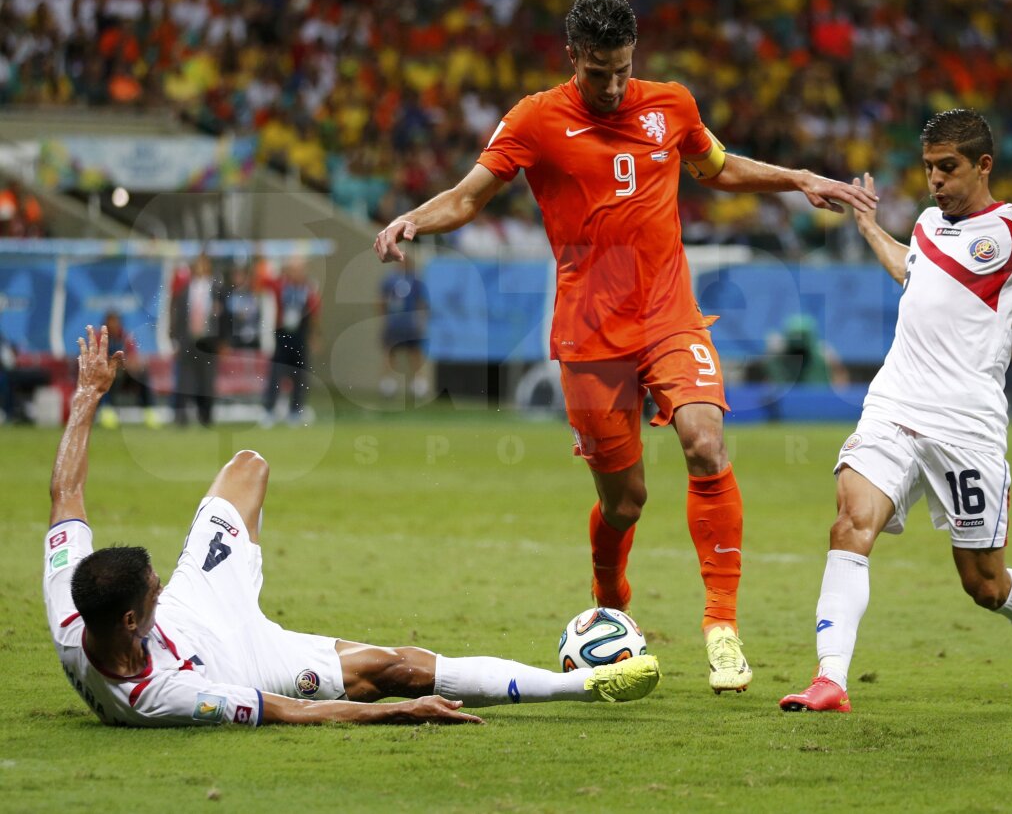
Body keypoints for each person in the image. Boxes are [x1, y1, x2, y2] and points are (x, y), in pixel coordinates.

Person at [374, 0, 877, 693]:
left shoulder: (672, 104)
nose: (612, 86)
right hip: (589, 335)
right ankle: (610, 599)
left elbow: (716, 167)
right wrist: (413, 220)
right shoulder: (536, 118)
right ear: (573, 56)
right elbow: (467, 197)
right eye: (598, 72)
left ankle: (721, 626)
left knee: (705, 441)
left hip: (669, 315)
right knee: (625, 503)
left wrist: (796, 178)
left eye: (622, 70)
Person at [44, 325, 660, 728]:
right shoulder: (161, 698)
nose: (157, 583)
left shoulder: (72, 607)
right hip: (243, 661)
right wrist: (398, 713)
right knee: (393, 670)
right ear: (132, 620)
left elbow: (65, 494)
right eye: (152, 588)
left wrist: (88, 394)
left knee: (247, 467)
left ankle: (233, 573)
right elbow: (288, 713)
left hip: (199, 601)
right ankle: (582, 685)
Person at [779, 109, 1012, 713]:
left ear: (983, 165)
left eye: (947, 167)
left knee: (984, 584)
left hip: (967, 427)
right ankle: (831, 680)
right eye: (928, 167)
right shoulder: (928, 223)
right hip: (894, 405)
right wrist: (868, 224)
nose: (935, 180)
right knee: (850, 523)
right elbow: (913, 272)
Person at [262, 257, 320, 427]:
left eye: (299, 270)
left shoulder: (308, 288)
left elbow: (315, 312)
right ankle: (270, 410)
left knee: (299, 374)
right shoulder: (281, 285)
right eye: (293, 270)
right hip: (282, 335)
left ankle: (296, 410)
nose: (296, 273)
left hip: (299, 335)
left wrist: (314, 335)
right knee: (276, 373)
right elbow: (264, 281)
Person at [169, 254, 224, 427]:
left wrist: (222, 340)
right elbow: (178, 316)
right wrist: (175, 338)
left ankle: (205, 416)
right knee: (184, 380)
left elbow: (224, 318)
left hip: (208, 342)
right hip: (188, 340)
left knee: (207, 380)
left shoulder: (216, 290)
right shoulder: (185, 290)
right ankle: (181, 416)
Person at [97, 311, 159, 428]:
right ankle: (107, 411)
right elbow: (97, 360)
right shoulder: (99, 338)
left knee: (142, 372)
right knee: (108, 375)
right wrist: (113, 364)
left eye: (116, 322)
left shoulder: (125, 336)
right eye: (111, 322)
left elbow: (132, 356)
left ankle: (149, 411)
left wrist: (133, 364)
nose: (113, 324)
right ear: (105, 323)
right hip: (105, 374)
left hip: (123, 372)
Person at [378, 259, 430, 400]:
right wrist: (385, 318)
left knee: (413, 351)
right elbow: (382, 300)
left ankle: (417, 382)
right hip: (396, 322)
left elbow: (421, 302)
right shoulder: (391, 280)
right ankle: (388, 382)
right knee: (391, 351)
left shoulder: (414, 281)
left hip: (408, 323)